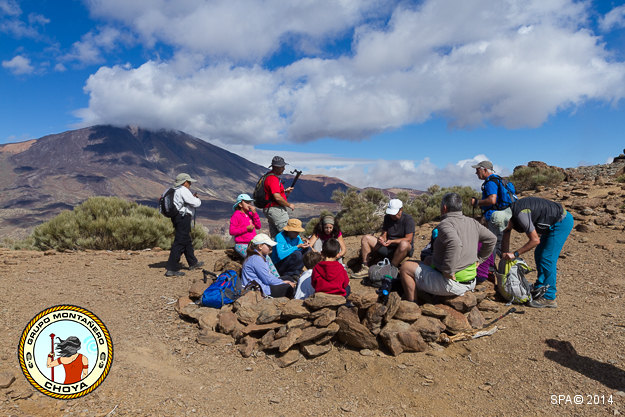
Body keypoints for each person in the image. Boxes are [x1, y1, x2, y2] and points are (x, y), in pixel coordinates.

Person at [399, 193, 496, 301]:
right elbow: (492, 239)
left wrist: (448, 271)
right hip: (470, 280)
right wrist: (481, 259)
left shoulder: (445, 224)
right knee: (427, 260)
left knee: (405, 268)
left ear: (444, 208)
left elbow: (454, 244)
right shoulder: (472, 222)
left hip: (453, 283)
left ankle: (412, 304)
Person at [491, 196, 574, 308]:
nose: (505, 229)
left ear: (508, 219)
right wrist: (505, 256)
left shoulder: (521, 215)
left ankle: (549, 297)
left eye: (505, 226)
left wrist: (515, 254)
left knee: (547, 258)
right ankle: (541, 287)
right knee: (539, 254)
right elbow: (506, 234)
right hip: (552, 223)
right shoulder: (507, 214)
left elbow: (535, 240)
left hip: (561, 221)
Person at [470, 160, 517, 255]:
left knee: (491, 244)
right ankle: (503, 267)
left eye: (478, 170)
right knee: (499, 245)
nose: (476, 173)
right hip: (503, 215)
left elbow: (492, 200)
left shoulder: (490, 182)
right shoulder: (498, 179)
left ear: (485, 170)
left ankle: (491, 268)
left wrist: (477, 202)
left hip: (495, 217)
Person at [229, 193, 280, 277]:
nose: (249, 204)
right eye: (247, 202)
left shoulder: (250, 214)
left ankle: (276, 277)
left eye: (250, 202)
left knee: (266, 257)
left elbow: (258, 226)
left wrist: (255, 214)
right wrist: (246, 229)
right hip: (242, 245)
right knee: (259, 258)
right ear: (240, 204)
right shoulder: (236, 215)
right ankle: (268, 277)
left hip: (252, 244)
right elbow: (232, 231)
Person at [164, 173, 204, 277]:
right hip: (183, 218)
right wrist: (197, 199)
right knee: (180, 242)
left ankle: (193, 262)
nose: (190, 184)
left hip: (177, 217)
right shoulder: (183, 190)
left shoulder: (174, 190)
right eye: (189, 182)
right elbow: (195, 203)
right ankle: (171, 268)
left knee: (186, 240)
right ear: (185, 182)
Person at [360, 199, 415, 272]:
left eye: (394, 213)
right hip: (388, 248)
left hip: (401, 250)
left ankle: (391, 268)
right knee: (366, 238)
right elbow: (384, 233)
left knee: (404, 244)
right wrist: (382, 238)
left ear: (401, 210)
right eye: (391, 213)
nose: (392, 215)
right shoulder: (387, 217)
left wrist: (392, 241)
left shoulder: (408, 219)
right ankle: (365, 267)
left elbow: (408, 239)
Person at [241, 233, 296, 298]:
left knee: (288, 278)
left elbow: (267, 277)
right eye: (269, 246)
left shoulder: (257, 256)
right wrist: (283, 282)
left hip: (261, 284)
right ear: (260, 246)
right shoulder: (256, 259)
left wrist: (283, 281)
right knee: (288, 287)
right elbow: (267, 279)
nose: (271, 248)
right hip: (259, 289)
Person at [263, 156, 295, 238]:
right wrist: (289, 205)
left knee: (276, 236)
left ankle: (276, 250)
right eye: (282, 167)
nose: (284, 169)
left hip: (270, 209)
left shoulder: (267, 176)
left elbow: (272, 193)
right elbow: (277, 197)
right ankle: (290, 250)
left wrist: (284, 191)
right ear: (276, 167)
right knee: (287, 234)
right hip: (276, 210)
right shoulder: (273, 179)